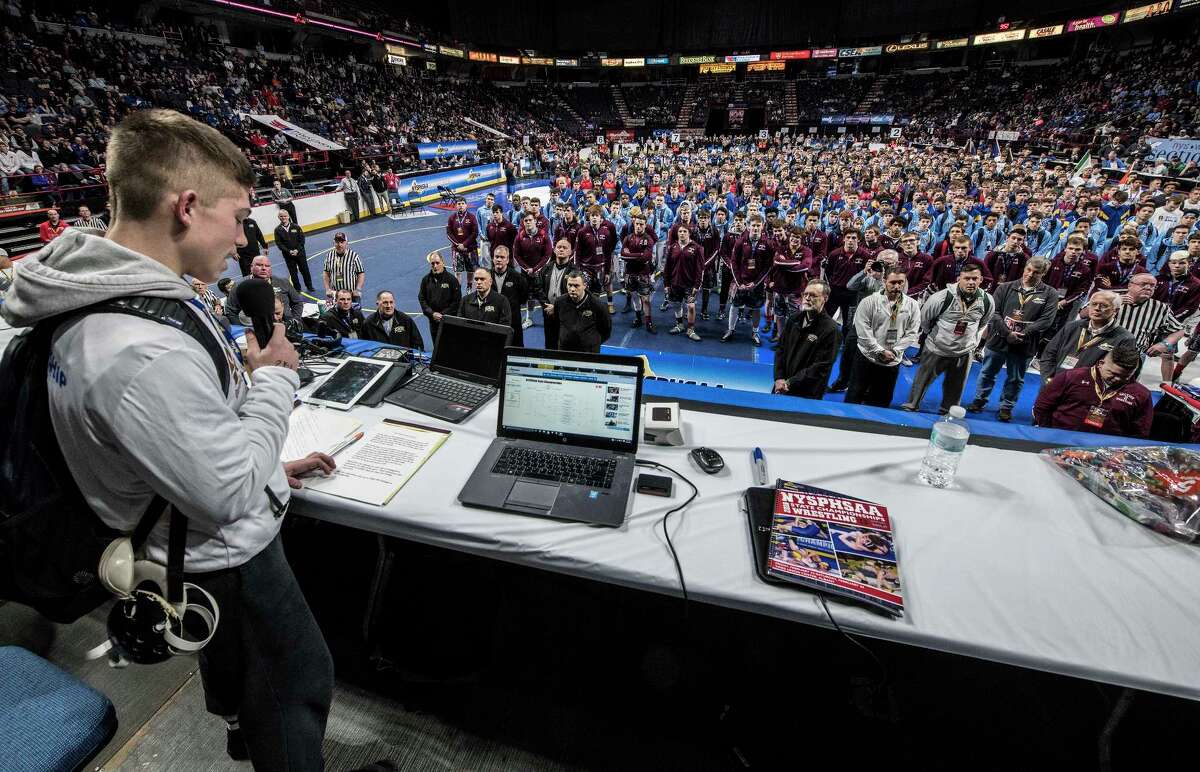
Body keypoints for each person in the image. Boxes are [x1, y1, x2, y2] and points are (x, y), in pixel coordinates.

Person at [0, 108, 334, 770]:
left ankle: (256, 735)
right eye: (239, 217)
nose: (244, 239)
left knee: (253, 689)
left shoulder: (100, 288)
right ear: (187, 207)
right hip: (225, 558)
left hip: (179, 538)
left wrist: (259, 458)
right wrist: (273, 383)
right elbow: (225, 492)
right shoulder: (139, 350)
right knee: (296, 686)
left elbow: (179, 440)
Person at [967, 257, 1059, 421]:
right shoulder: (1006, 287)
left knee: (1015, 379)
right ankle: (979, 400)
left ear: (1043, 273)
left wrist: (1025, 333)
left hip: (1025, 344)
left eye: (1036, 273)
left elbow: (1047, 320)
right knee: (987, 372)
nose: (1030, 275)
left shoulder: (1050, 293)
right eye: (1028, 270)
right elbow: (994, 313)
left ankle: (1006, 407)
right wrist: (1007, 333)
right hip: (998, 339)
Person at [901, 264, 993, 414]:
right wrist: (936, 337)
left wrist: (970, 341)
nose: (971, 282)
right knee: (921, 381)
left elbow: (983, 322)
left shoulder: (988, 301)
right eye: (967, 278)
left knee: (956, 386)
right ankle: (912, 404)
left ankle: (947, 410)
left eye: (974, 278)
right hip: (937, 349)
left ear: (981, 279)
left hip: (964, 351)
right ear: (959, 279)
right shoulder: (941, 297)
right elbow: (925, 320)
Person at [1033, 345, 1152, 438]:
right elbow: (1042, 406)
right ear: (1101, 364)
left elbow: (1140, 430)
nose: (1118, 379)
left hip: (1105, 449)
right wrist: (1049, 432)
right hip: (1060, 437)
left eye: (1125, 376)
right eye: (1113, 373)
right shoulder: (1071, 377)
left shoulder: (1141, 394)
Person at [845, 266, 921, 407]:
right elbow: (862, 331)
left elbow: (912, 332)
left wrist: (895, 351)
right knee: (854, 395)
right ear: (884, 281)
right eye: (893, 282)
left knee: (882, 400)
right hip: (867, 356)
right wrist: (879, 350)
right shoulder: (869, 302)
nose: (897, 286)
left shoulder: (913, 305)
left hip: (892, 359)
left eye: (900, 282)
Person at [1039, 291, 1136, 382]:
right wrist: (1049, 379)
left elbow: (1118, 372)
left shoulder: (1125, 338)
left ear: (1115, 310)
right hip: (1056, 384)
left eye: (1104, 306)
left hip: (1088, 392)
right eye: (1093, 304)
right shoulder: (1072, 326)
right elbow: (1049, 354)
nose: (1097, 308)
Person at [772, 279, 840, 399]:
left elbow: (820, 367)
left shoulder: (831, 330)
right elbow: (780, 349)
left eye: (813, 295)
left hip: (807, 394)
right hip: (781, 386)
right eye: (806, 294)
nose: (807, 298)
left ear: (825, 298)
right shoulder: (794, 319)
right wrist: (779, 378)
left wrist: (789, 383)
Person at [1115, 272, 1186, 383]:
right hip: (1103, 350)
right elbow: (1084, 314)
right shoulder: (1111, 296)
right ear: (1130, 285)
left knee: (1123, 388)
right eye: (1143, 284)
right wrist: (1112, 303)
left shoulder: (1160, 308)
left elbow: (1179, 330)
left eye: (1152, 285)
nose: (1148, 288)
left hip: (1134, 355)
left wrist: (1165, 344)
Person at [723, 214, 773, 344]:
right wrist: (739, 283)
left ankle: (755, 332)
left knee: (756, 308)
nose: (755, 228)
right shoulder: (740, 241)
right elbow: (734, 262)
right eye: (753, 225)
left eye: (758, 225)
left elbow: (768, 266)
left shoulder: (767, 243)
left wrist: (756, 283)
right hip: (740, 282)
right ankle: (730, 329)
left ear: (762, 226)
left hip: (757, 284)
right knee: (734, 305)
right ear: (748, 226)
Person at [224, 254, 305, 325]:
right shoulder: (239, 287)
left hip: (287, 323)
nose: (264, 268)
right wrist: (245, 329)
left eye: (267, 266)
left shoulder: (283, 282)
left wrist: (295, 320)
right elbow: (230, 312)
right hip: (258, 329)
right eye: (259, 265)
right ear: (251, 268)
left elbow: (297, 303)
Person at [553, 270, 612, 353]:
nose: (572, 289)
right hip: (565, 351)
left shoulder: (598, 305)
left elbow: (606, 330)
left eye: (576, 286)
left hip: (589, 352)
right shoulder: (559, 302)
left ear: (584, 286)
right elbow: (555, 325)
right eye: (570, 285)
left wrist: (592, 343)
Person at [663, 222, 704, 341]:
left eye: (684, 231)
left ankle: (690, 330)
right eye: (680, 231)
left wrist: (697, 285)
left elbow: (700, 268)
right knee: (676, 305)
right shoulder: (673, 247)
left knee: (691, 306)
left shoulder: (697, 248)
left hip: (690, 284)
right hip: (675, 282)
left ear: (689, 233)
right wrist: (666, 284)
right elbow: (667, 267)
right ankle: (679, 324)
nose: (682, 233)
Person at [620, 211, 657, 332]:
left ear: (645, 225)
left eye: (641, 224)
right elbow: (623, 254)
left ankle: (649, 322)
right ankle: (637, 318)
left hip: (643, 273)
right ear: (634, 224)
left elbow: (646, 257)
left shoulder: (649, 239)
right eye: (637, 224)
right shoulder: (628, 238)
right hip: (630, 273)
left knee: (645, 299)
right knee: (635, 296)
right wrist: (639, 255)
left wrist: (631, 255)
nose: (639, 226)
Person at [489, 245, 530, 346]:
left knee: (516, 346)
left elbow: (524, 296)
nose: (499, 259)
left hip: (513, 319)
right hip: (492, 318)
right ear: (493, 258)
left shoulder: (517, 277)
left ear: (507, 260)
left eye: (502, 257)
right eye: (497, 257)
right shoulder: (487, 276)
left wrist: (512, 305)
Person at [417, 252, 461, 344]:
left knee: (450, 346)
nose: (435, 266)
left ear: (443, 263)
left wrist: (442, 315)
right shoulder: (426, 280)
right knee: (436, 346)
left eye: (437, 263)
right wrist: (432, 313)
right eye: (432, 263)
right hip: (433, 321)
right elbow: (422, 299)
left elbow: (457, 302)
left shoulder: (452, 280)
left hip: (448, 321)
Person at [273, 209, 312, 293]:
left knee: (305, 270)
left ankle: (309, 286)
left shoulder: (296, 227)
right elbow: (279, 244)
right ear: (278, 217)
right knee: (293, 273)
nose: (283, 218)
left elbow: (302, 240)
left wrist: (297, 250)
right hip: (288, 256)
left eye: (285, 216)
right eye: (281, 216)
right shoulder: (277, 230)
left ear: (288, 216)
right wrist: (289, 251)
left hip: (300, 253)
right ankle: (297, 288)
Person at [322, 232, 364, 305]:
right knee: (337, 315)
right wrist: (327, 289)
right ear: (333, 243)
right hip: (336, 295)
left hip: (352, 294)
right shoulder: (329, 256)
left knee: (355, 314)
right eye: (337, 242)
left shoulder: (354, 256)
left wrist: (358, 289)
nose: (339, 245)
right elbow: (326, 273)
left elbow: (361, 273)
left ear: (346, 243)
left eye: (342, 242)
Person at [446, 197, 480, 288]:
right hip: (457, 249)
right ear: (456, 206)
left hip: (470, 248)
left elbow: (475, 233)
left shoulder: (471, 217)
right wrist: (458, 245)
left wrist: (464, 244)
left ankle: (469, 287)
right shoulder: (452, 218)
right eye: (458, 204)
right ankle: (458, 290)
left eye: (462, 203)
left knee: (471, 270)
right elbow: (449, 233)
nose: (460, 205)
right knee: (458, 271)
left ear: (466, 205)